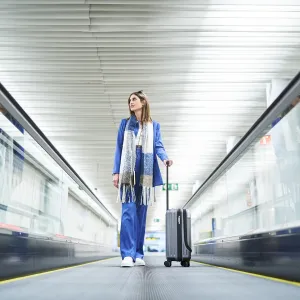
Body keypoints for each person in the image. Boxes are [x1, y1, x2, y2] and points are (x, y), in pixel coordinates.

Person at [112, 90, 173, 267]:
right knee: (128, 212)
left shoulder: (154, 126)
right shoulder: (125, 124)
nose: (131, 103)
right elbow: (118, 148)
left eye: (134, 99)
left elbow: (158, 146)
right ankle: (127, 255)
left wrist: (165, 158)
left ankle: (138, 253)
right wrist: (116, 172)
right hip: (128, 169)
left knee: (141, 213)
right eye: (130, 100)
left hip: (145, 170)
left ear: (143, 102)